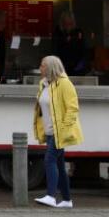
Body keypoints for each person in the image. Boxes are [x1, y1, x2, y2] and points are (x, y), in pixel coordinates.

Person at [32, 54, 83, 208]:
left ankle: (51, 196)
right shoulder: (44, 84)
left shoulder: (65, 84)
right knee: (59, 165)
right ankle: (67, 200)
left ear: (50, 67)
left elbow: (72, 108)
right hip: (49, 132)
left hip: (59, 132)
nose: (40, 68)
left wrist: (63, 128)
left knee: (49, 160)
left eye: (42, 65)